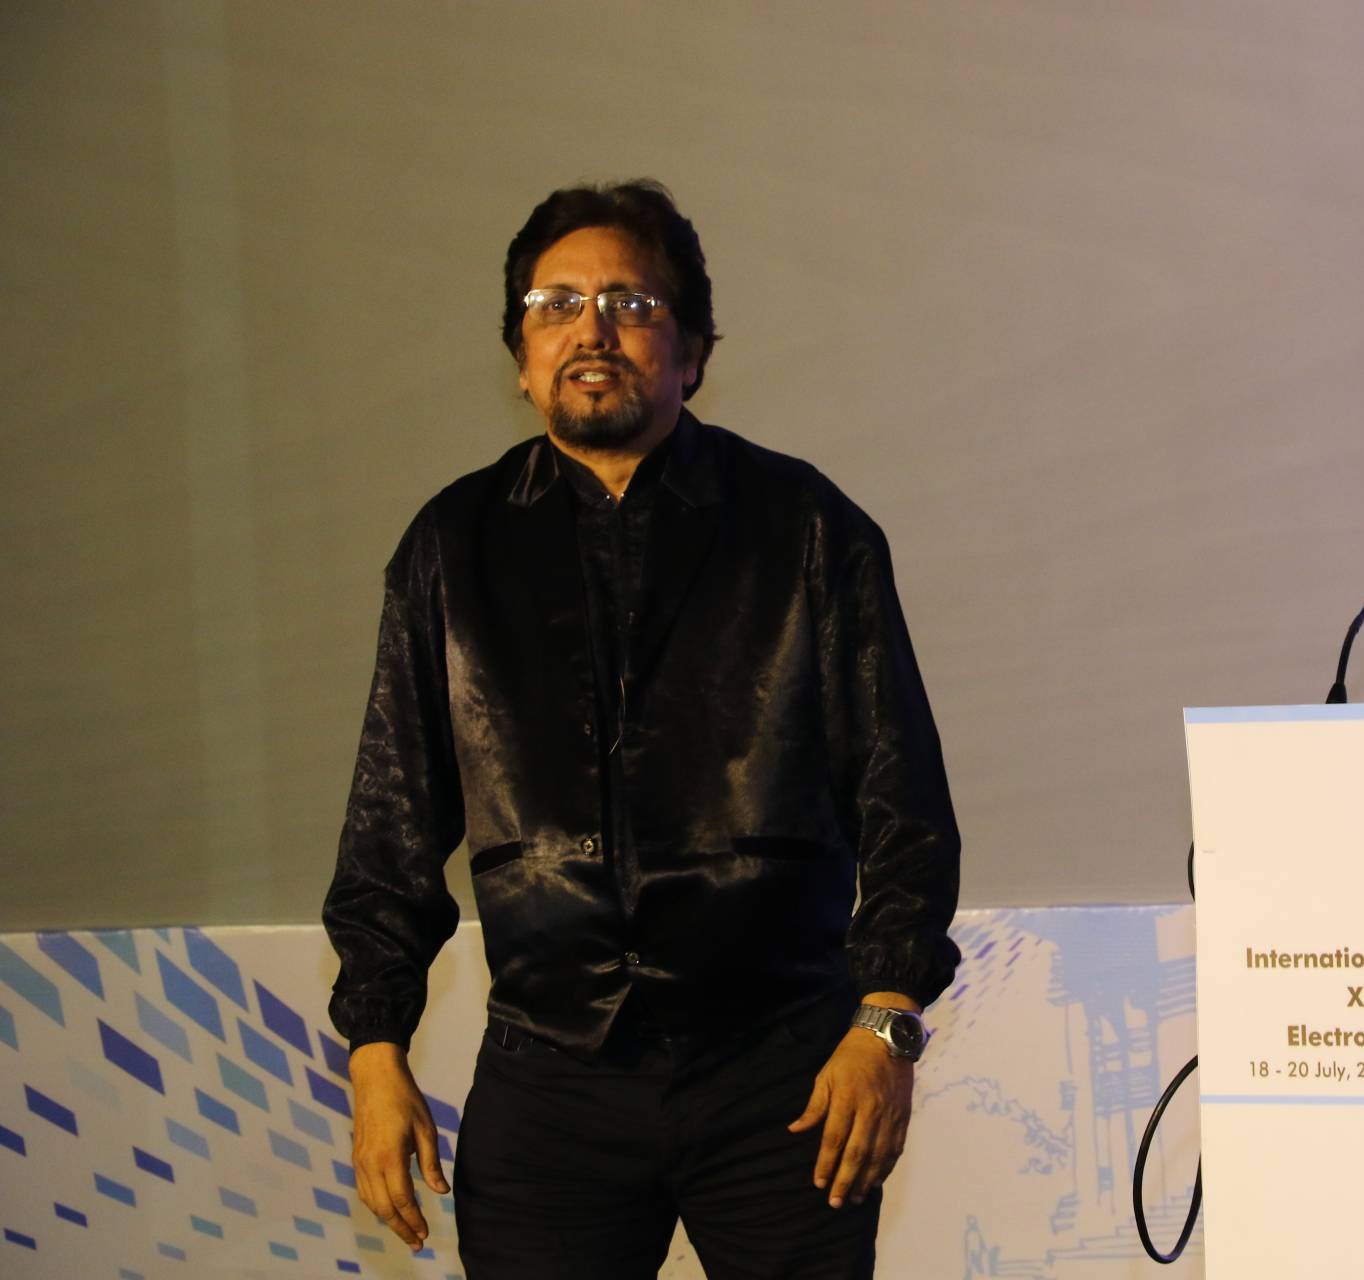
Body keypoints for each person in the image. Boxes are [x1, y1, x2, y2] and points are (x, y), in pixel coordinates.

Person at [321, 179, 962, 1279]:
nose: (592, 330)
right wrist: (375, 1048)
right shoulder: (450, 547)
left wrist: (887, 1023)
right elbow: (391, 825)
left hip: (784, 1078)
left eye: (631, 303)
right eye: (556, 305)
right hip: (550, 1078)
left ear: (694, 351)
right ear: (520, 357)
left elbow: (903, 802)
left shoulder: (807, 527)